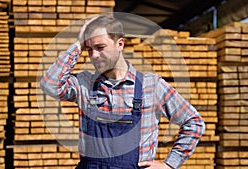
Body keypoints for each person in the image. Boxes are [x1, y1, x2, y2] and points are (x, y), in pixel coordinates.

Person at [40, 15, 205, 169]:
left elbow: (193, 122)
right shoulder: (84, 84)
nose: (93, 55)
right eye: (89, 49)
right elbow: (50, 85)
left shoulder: (152, 86)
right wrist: (78, 45)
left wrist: (169, 164)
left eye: (100, 47)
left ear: (120, 44)